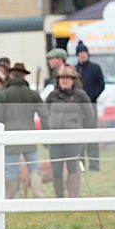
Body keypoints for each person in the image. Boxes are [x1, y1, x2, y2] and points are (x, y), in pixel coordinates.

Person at [0, 63, 50, 199]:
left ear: (11, 75)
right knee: (34, 167)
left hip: (9, 138)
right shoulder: (33, 94)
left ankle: (9, 198)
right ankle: (38, 195)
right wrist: (46, 134)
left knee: (11, 170)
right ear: (24, 76)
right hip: (29, 135)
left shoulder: (4, 95)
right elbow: (44, 115)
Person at [45, 66, 95, 198]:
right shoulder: (53, 95)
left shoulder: (80, 95)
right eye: (61, 78)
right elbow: (45, 113)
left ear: (73, 80)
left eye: (67, 78)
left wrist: (77, 127)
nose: (64, 81)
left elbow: (89, 115)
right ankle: (59, 196)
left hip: (73, 138)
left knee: (73, 167)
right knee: (56, 169)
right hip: (55, 138)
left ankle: (73, 196)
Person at [74, 40, 104, 171]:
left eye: (84, 53)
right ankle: (80, 166)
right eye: (80, 53)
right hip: (77, 108)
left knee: (92, 138)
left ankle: (94, 165)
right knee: (79, 138)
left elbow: (101, 85)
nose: (82, 55)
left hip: (91, 105)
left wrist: (92, 97)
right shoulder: (74, 70)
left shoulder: (95, 68)